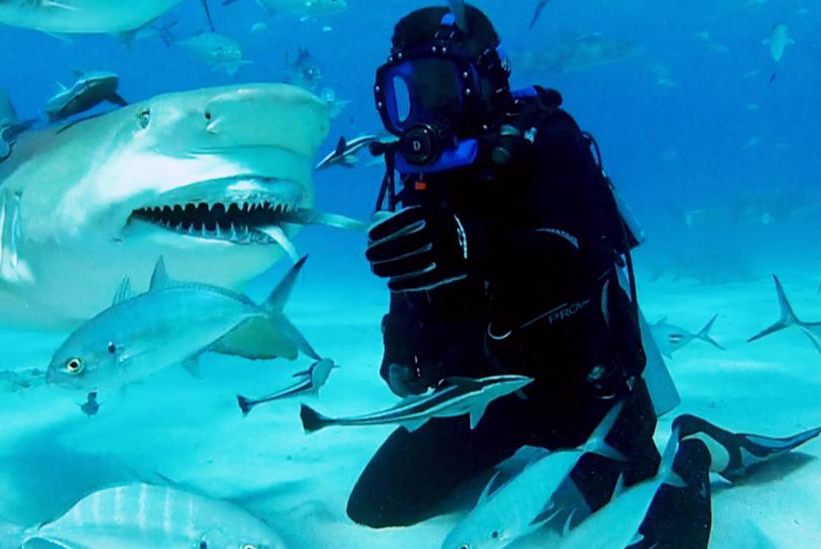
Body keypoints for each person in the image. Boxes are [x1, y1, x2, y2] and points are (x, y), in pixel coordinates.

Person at [348, 5, 820, 547]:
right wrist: (397, 348)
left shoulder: (548, 141)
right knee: (374, 507)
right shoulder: (419, 175)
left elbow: (587, 252)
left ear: (483, 80)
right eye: (413, 90)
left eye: (444, 87)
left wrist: (473, 245)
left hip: (576, 389)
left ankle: (695, 445)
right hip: (480, 394)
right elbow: (409, 283)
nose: (429, 110)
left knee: (662, 536)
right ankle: (520, 459)